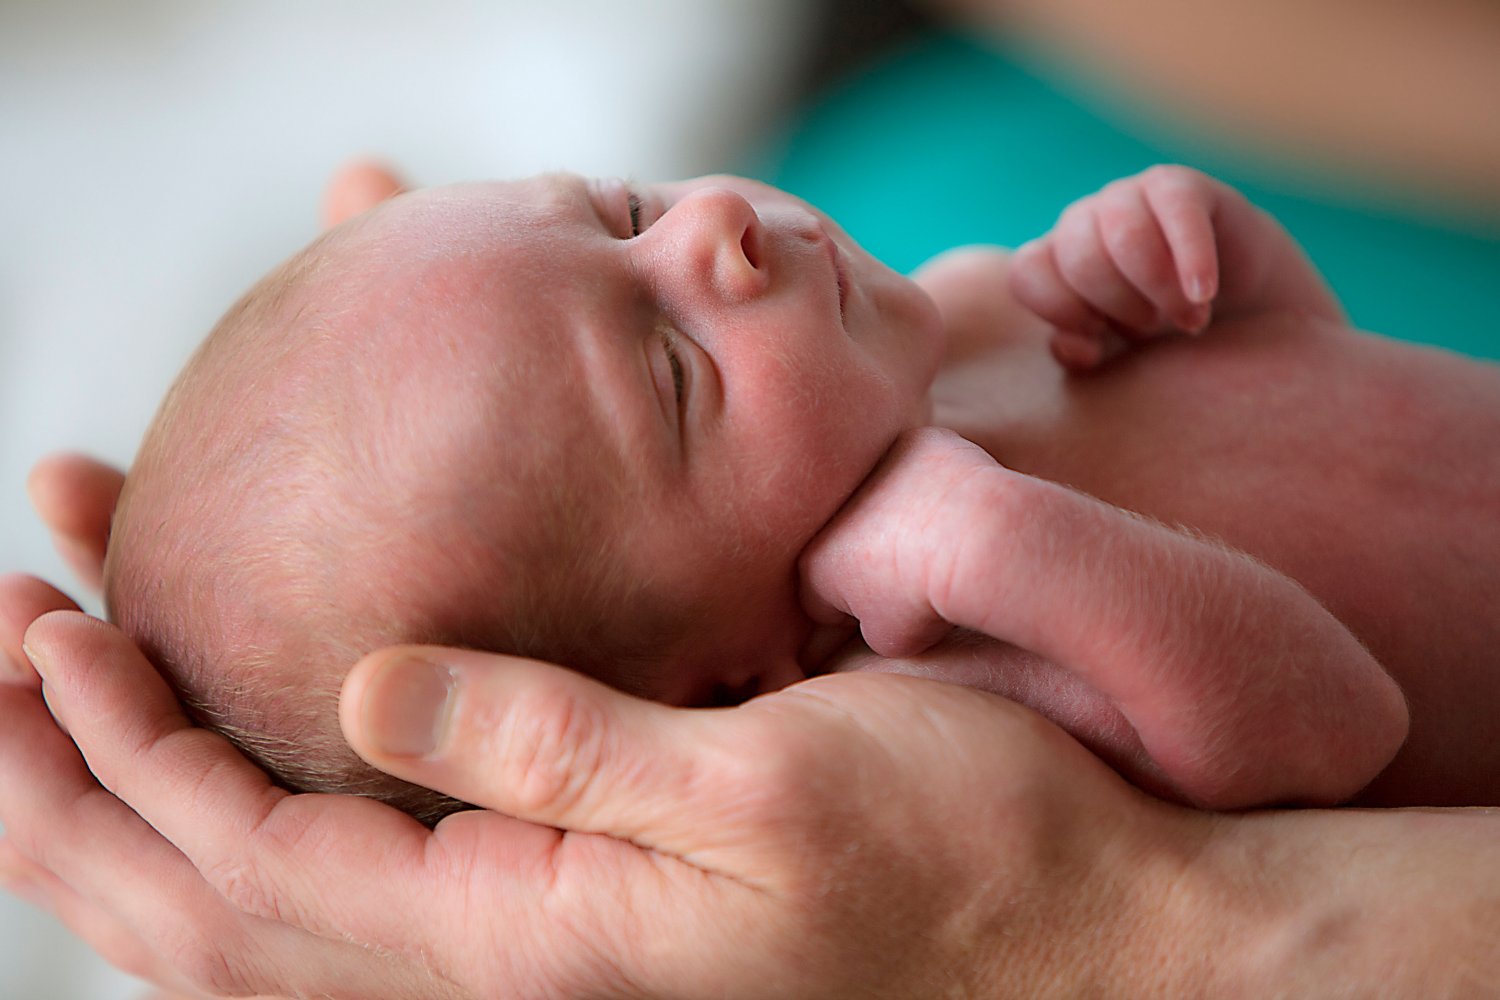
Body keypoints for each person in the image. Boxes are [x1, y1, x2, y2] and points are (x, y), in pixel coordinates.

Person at [1, 168, 1497, 998]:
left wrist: (1201, 267)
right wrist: (998, 546)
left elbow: (1328, 389)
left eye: (618, 210)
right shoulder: (938, 678)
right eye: (672, 373)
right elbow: (1331, 729)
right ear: (728, 682)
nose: (708, 233)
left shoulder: (959, 316)